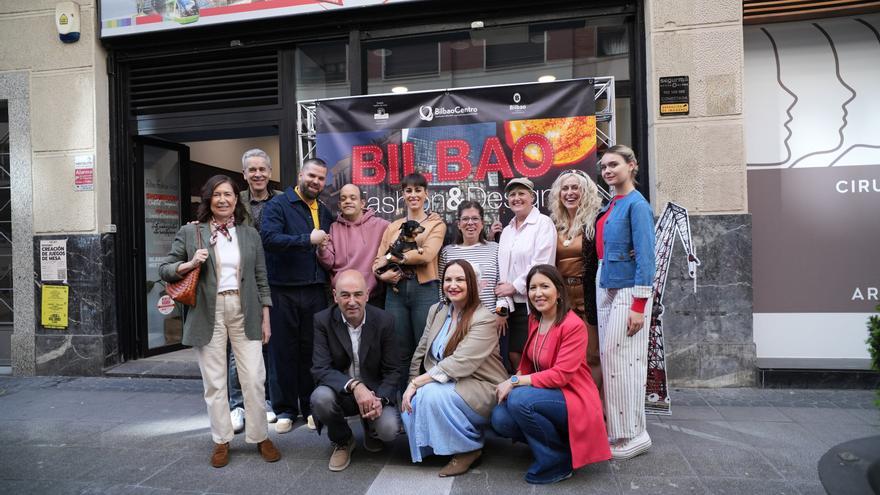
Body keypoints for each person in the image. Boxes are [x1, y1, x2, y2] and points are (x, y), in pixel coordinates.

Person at [159, 175, 281, 468]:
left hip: (245, 308)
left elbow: (260, 277)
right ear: (209, 200)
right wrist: (189, 263)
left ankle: (260, 435)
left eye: (228, 194)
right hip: (208, 310)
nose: (223, 199)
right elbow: (165, 269)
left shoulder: (249, 234)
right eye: (217, 195)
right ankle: (221, 439)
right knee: (214, 382)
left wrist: (266, 317)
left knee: (253, 377)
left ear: (236, 200)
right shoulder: (191, 233)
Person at [491, 265, 610, 484]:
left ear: (558, 291)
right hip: (547, 394)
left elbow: (560, 376)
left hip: (574, 397)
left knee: (519, 400)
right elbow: (527, 362)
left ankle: (557, 462)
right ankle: (556, 447)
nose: (538, 293)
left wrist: (515, 381)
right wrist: (515, 379)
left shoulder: (573, 325)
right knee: (500, 418)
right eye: (533, 287)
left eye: (544, 286)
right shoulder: (535, 319)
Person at [401, 260, 508, 477]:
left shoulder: (484, 318)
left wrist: (417, 383)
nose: (453, 285)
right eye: (448, 280)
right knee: (413, 401)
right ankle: (438, 445)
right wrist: (410, 384)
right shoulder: (438, 310)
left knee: (430, 394)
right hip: (450, 383)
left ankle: (469, 448)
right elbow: (422, 349)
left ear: (472, 284)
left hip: (482, 388)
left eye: (460, 279)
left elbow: (460, 362)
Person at [261, 157, 335, 434]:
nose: (315, 182)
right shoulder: (278, 205)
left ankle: (310, 407)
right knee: (282, 352)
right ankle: (284, 409)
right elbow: (268, 240)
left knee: (311, 352)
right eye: (312, 176)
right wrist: (307, 240)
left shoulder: (324, 211)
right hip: (283, 290)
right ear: (301, 174)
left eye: (320, 178)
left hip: (315, 290)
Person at [595, 145, 656, 459]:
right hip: (606, 282)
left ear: (632, 165)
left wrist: (638, 306)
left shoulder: (637, 205)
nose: (607, 171)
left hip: (628, 289)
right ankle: (620, 432)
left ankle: (633, 434)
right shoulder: (612, 204)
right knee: (613, 361)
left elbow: (647, 258)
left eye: (613, 165)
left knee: (624, 362)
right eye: (604, 166)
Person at [310, 270, 401, 472]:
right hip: (340, 393)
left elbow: (393, 370)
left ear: (367, 294)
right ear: (335, 296)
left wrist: (381, 400)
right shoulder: (322, 321)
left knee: (389, 430)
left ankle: (371, 429)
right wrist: (355, 385)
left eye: (358, 294)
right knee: (320, 399)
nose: (352, 301)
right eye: (345, 295)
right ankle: (343, 440)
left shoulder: (385, 321)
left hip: (375, 392)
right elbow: (321, 368)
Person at [372, 173, 446, 392]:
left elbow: (426, 255)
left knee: (424, 349)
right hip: (395, 292)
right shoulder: (392, 226)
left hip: (425, 289)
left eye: (418, 190)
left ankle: (425, 400)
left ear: (426, 193)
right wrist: (380, 275)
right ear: (403, 194)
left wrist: (394, 258)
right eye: (408, 190)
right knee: (398, 349)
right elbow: (378, 261)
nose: (413, 195)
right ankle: (401, 404)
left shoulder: (436, 224)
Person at [229, 148, 284, 433]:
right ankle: (237, 404)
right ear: (244, 174)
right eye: (252, 170)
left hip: (277, 279)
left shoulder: (284, 200)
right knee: (239, 342)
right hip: (242, 281)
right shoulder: (232, 200)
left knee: (270, 343)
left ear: (270, 172)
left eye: (262, 169)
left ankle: (268, 400)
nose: (258, 174)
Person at [548, 169, 604, 390]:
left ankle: (596, 408)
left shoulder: (596, 221)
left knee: (592, 355)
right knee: (567, 355)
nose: (569, 193)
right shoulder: (555, 225)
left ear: (585, 192)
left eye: (575, 188)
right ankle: (574, 403)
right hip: (564, 298)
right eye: (565, 188)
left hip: (587, 295)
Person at [494, 177, 557, 371]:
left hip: (536, 304)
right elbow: (502, 272)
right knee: (514, 355)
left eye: (521, 193)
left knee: (538, 357)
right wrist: (501, 307)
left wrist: (514, 286)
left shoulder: (543, 224)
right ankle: (522, 392)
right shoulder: (506, 231)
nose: (516, 198)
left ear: (532, 197)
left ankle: (536, 395)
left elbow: (541, 263)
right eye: (512, 194)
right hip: (512, 307)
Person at [318, 184, 390, 308]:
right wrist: (322, 249)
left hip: (372, 296)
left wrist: (427, 220)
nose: (348, 201)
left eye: (353, 198)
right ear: (340, 205)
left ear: (362, 203)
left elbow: (402, 233)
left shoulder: (381, 226)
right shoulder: (334, 228)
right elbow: (328, 263)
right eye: (344, 198)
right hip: (342, 298)